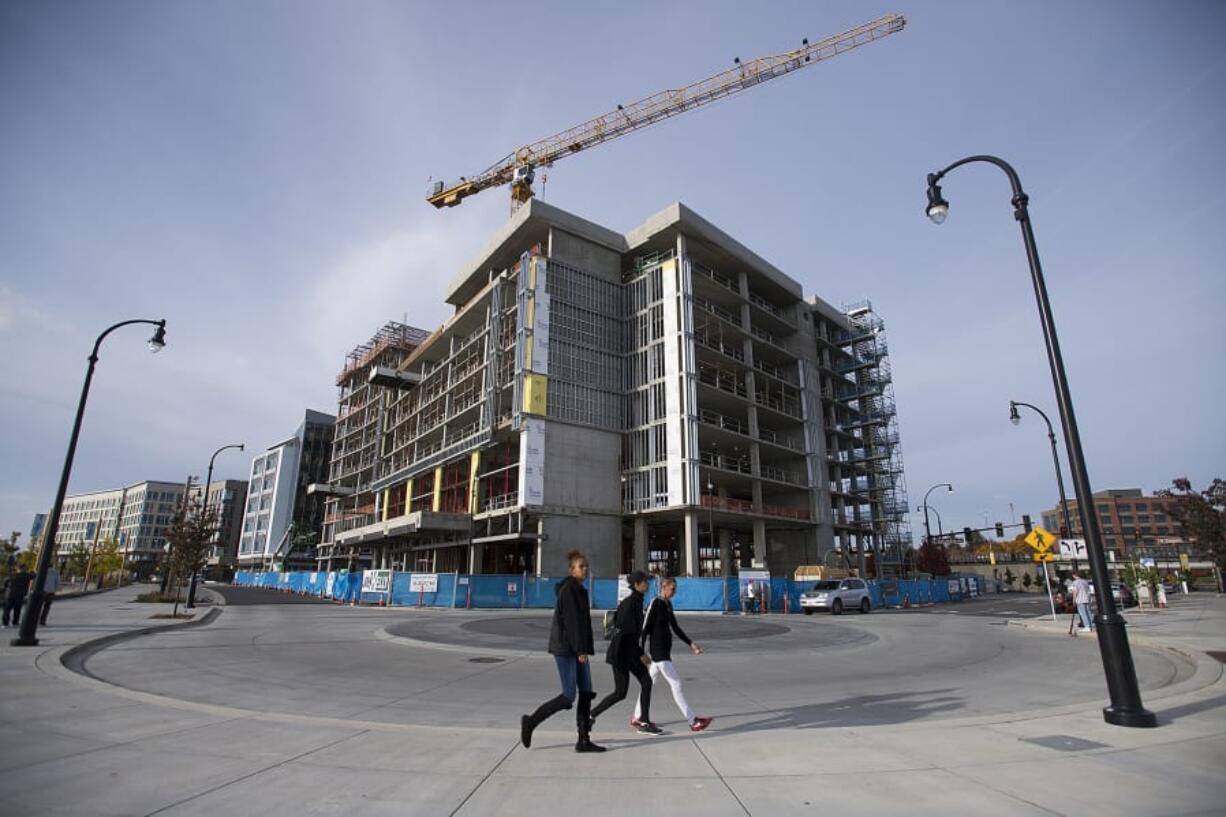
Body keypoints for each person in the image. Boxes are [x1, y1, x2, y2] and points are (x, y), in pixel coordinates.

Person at [521, 549, 604, 753]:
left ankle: (583, 740)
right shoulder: (569, 590)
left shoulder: (580, 590)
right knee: (568, 696)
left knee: (586, 692)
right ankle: (531, 722)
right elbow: (572, 623)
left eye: (586, 566)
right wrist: (580, 649)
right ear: (572, 570)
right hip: (567, 649)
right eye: (581, 566)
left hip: (577, 648)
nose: (585, 569)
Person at [635, 576, 713, 732]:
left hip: (663, 651)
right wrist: (640, 652)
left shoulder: (667, 604)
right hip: (658, 652)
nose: (674, 592)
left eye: (675, 589)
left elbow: (675, 627)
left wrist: (691, 644)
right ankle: (693, 721)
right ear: (664, 588)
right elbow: (644, 629)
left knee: (648, 684)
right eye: (672, 589)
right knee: (676, 684)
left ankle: (637, 717)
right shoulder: (655, 603)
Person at [590, 571, 659, 735]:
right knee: (620, 693)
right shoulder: (630, 604)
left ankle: (644, 722)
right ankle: (591, 714)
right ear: (636, 585)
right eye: (644, 582)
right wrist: (641, 653)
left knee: (646, 682)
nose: (647, 585)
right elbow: (626, 634)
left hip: (629, 652)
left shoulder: (636, 602)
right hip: (621, 653)